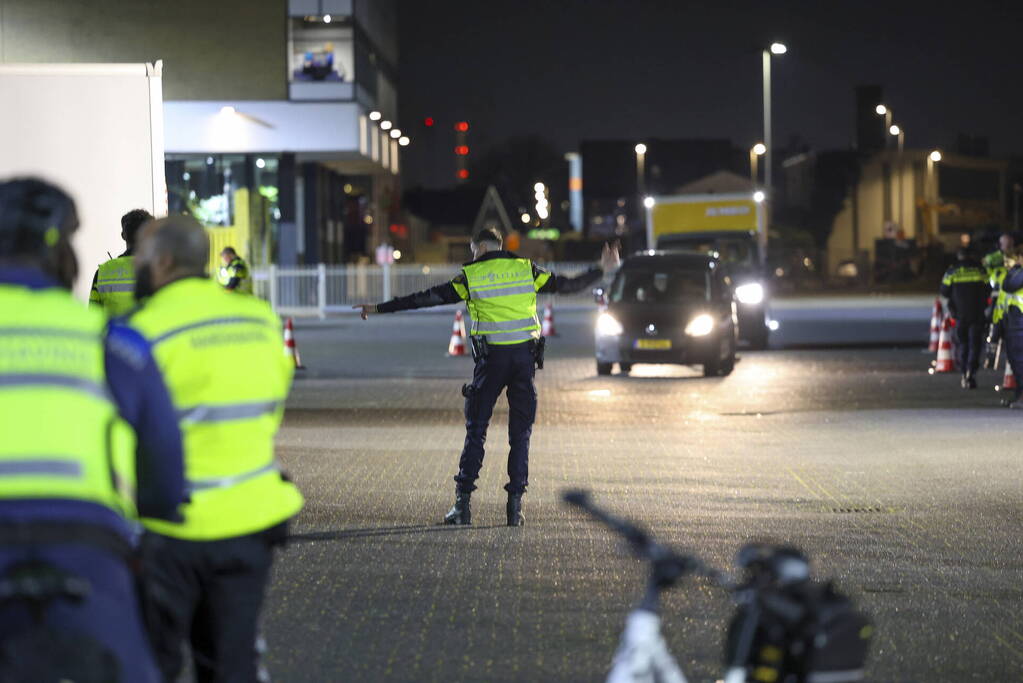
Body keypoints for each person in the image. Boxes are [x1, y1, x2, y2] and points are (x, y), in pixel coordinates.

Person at [0, 178, 184, 681]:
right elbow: (166, 479)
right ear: (62, 252)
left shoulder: (108, 297)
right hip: (86, 551)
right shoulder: (111, 344)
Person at [129, 215, 304, 682]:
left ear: (163, 261)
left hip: (170, 528)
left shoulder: (142, 332)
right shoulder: (260, 320)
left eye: (143, 257)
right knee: (231, 664)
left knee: (152, 664)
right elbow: (271, 404)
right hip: (250, 523)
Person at [353, 228, 620, 526]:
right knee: (520, 435)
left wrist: (377, 308)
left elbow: (425, 299)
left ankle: (462, 506)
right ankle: (514, 508)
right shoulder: (526, 269)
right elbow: (568, 286)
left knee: (476, 430)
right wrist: (601, 269)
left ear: (480, 247)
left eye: (472, 250)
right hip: (523, 361)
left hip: (491, 362)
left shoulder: (471, 275)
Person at [940, 248, 990, 388]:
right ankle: (971, 373)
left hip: (960, 315)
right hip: (977, 314)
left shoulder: (952, 271)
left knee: (962, 344)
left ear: (958, 256)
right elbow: (988, 289)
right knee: (975, 345)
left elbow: (944, 291)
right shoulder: (980, 270)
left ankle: (963, 373)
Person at [88, 208, 153, 316]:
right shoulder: (161, 269)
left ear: (123, 235)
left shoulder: (102, 272)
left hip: (115, 333)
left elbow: (93, 315)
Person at [999, 248, 1023, 407]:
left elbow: (1009, 285)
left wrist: (1014, 269)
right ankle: (1019, 395)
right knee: (1016, 362)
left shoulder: (1019, 273)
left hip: (1020, 324)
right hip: (1015, 323)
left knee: (1020, 362)